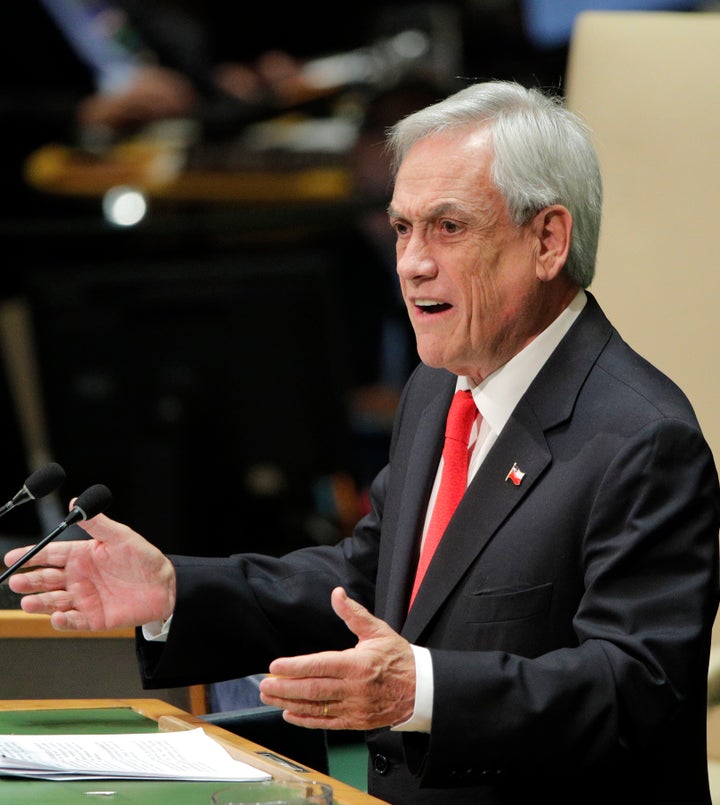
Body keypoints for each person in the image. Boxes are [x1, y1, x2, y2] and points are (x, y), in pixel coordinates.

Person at [5, 80, 720, 804]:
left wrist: (423, 689)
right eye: (403, 227)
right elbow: (368, 579)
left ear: (548, 240)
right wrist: (176, 592)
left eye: (449, 227)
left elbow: (636, 689)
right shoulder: (438, 390)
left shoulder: (643, 436)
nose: (411, 262)